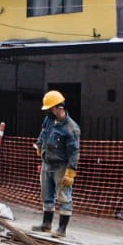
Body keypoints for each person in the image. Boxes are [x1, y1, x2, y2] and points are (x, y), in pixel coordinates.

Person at [33, 90, 81, 237]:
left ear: (59, 109)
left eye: (50, 109)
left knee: (63, 197)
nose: (48, 112)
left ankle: (61, 230)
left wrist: (71, 172)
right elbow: (43, 133)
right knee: (46, 195)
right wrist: (39, 146)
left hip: (61, 167)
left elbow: (74, 152)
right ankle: (46, 224)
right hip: (47, 163)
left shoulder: (71, 128)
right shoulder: (49, 120)